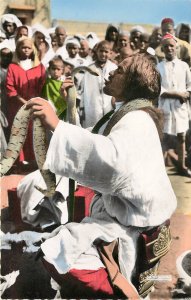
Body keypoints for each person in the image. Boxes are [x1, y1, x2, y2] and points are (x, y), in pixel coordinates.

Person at [26, 53, 177, 299]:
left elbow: (109, 164)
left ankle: (114, 286)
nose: (110, 73)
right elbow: (94, 140)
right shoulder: (128, 114)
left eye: (119, 70)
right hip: (127, 217)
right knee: (63, 244)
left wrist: (57, 126)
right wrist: (69, 108)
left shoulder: (137, 120)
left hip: (130, 227)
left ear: (132, 82)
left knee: (59, 252)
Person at [6, 36, 46, 166]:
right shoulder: (13, 67)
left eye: (29, 47)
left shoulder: (39, 67)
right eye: (23, 47)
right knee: (18, 133)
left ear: (33, 49)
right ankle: (19, 162)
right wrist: (24, 102)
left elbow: (43, 86)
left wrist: (35, 102)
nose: (26, 50)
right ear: (18, 49)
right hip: (17, 106)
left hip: (35, 105)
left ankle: (34, 162)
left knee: (34, 132)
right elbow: (10, 88)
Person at [157, 34, 191, 177]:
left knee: (181, 136)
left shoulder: (183, 66)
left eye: (172, 46)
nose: (169, 48)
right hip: (165, 106)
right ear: (163, 49)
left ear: (176, 47)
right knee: (164, 137)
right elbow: (159, 89)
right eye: (166, 46)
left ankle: (182, 166)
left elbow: (189, 85)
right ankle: (160, 169)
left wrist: (186, 94)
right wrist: (177, 94)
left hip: (180, 107)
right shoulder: (159, 67)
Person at [80, 40, 117, 128]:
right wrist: (82, 109)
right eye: (101, 51)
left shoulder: (114, 68)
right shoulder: (89, 68)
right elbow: (84, 90)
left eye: (106, 52)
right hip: (92, 108)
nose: (103, 54)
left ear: (110, 53)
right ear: (96, 51)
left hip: (109, 107)